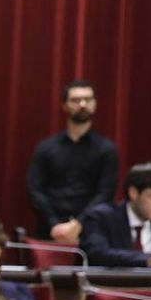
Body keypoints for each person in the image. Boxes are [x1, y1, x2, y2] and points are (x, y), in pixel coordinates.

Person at [26, 80, 118, 237]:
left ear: (95, 104)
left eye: (88, 100)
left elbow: (105, 193)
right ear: (64, 106)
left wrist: (78, 224)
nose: (83, 104)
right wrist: (53, 223)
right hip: (50, 230)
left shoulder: (107, 149)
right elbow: (35, 189)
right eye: (76, 100)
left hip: (92, 229)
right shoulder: (46, 147)